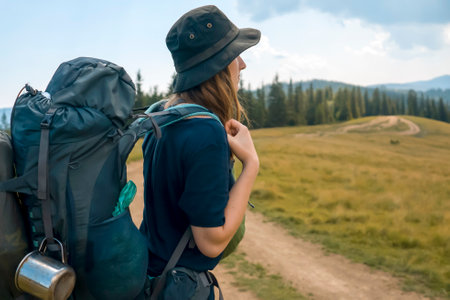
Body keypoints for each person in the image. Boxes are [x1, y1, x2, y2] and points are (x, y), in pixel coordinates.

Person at [140, 5, 260, 299]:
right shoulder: (205, 132)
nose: (242, 64)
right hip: (178, 287)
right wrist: (251, 165)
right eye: (235, 54)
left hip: (149, 277)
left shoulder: (162, 116)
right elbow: (211, 241)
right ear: (218, 65)